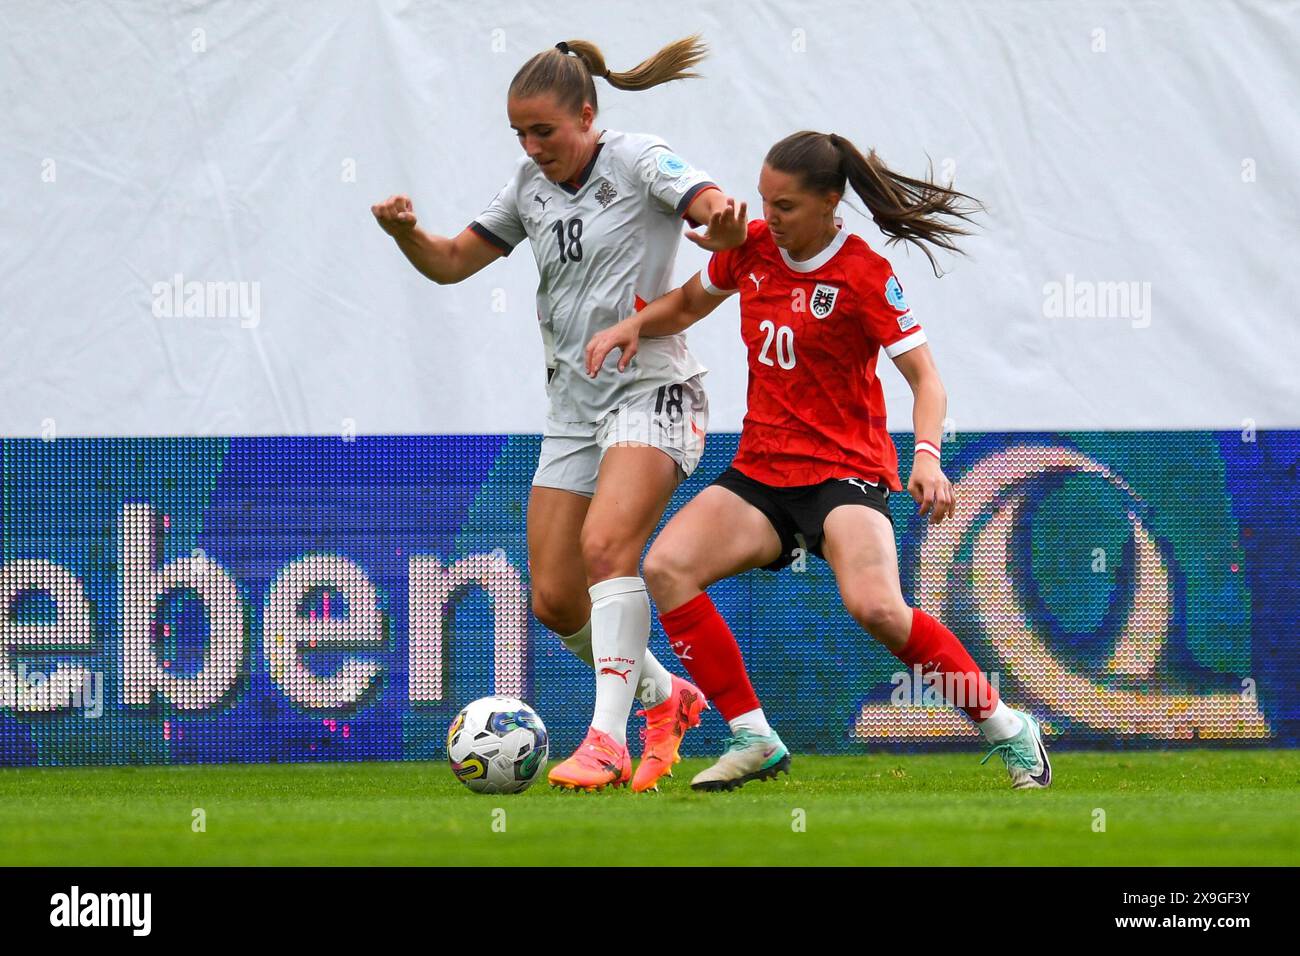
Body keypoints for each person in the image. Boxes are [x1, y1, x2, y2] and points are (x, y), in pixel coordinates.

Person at [585, 130, 1053, 791]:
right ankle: (753, 735)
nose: (768, 217)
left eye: (785, 206)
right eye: (764, 201)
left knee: (878, 610)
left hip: (844, 473)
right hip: (762, 470)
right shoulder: (750, 250)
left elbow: (926, 380)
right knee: (667, 568)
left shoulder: (864, 273)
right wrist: (636, 325)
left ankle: (1009, 728)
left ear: (832, 203)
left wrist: (926, 458)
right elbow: (690, 301)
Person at [372, 37, 750, 793]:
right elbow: (450, 263)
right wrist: (407, 234)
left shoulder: (640, 157)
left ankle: (605, 741)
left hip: (654, 391)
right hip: (574, 407)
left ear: (586, 114)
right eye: (519, 133)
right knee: (553, 596)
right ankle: (667, 697)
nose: (531, 146)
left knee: (609, 547)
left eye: (543, 130)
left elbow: (704, 200)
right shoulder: (527, 187)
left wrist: (721, 223)